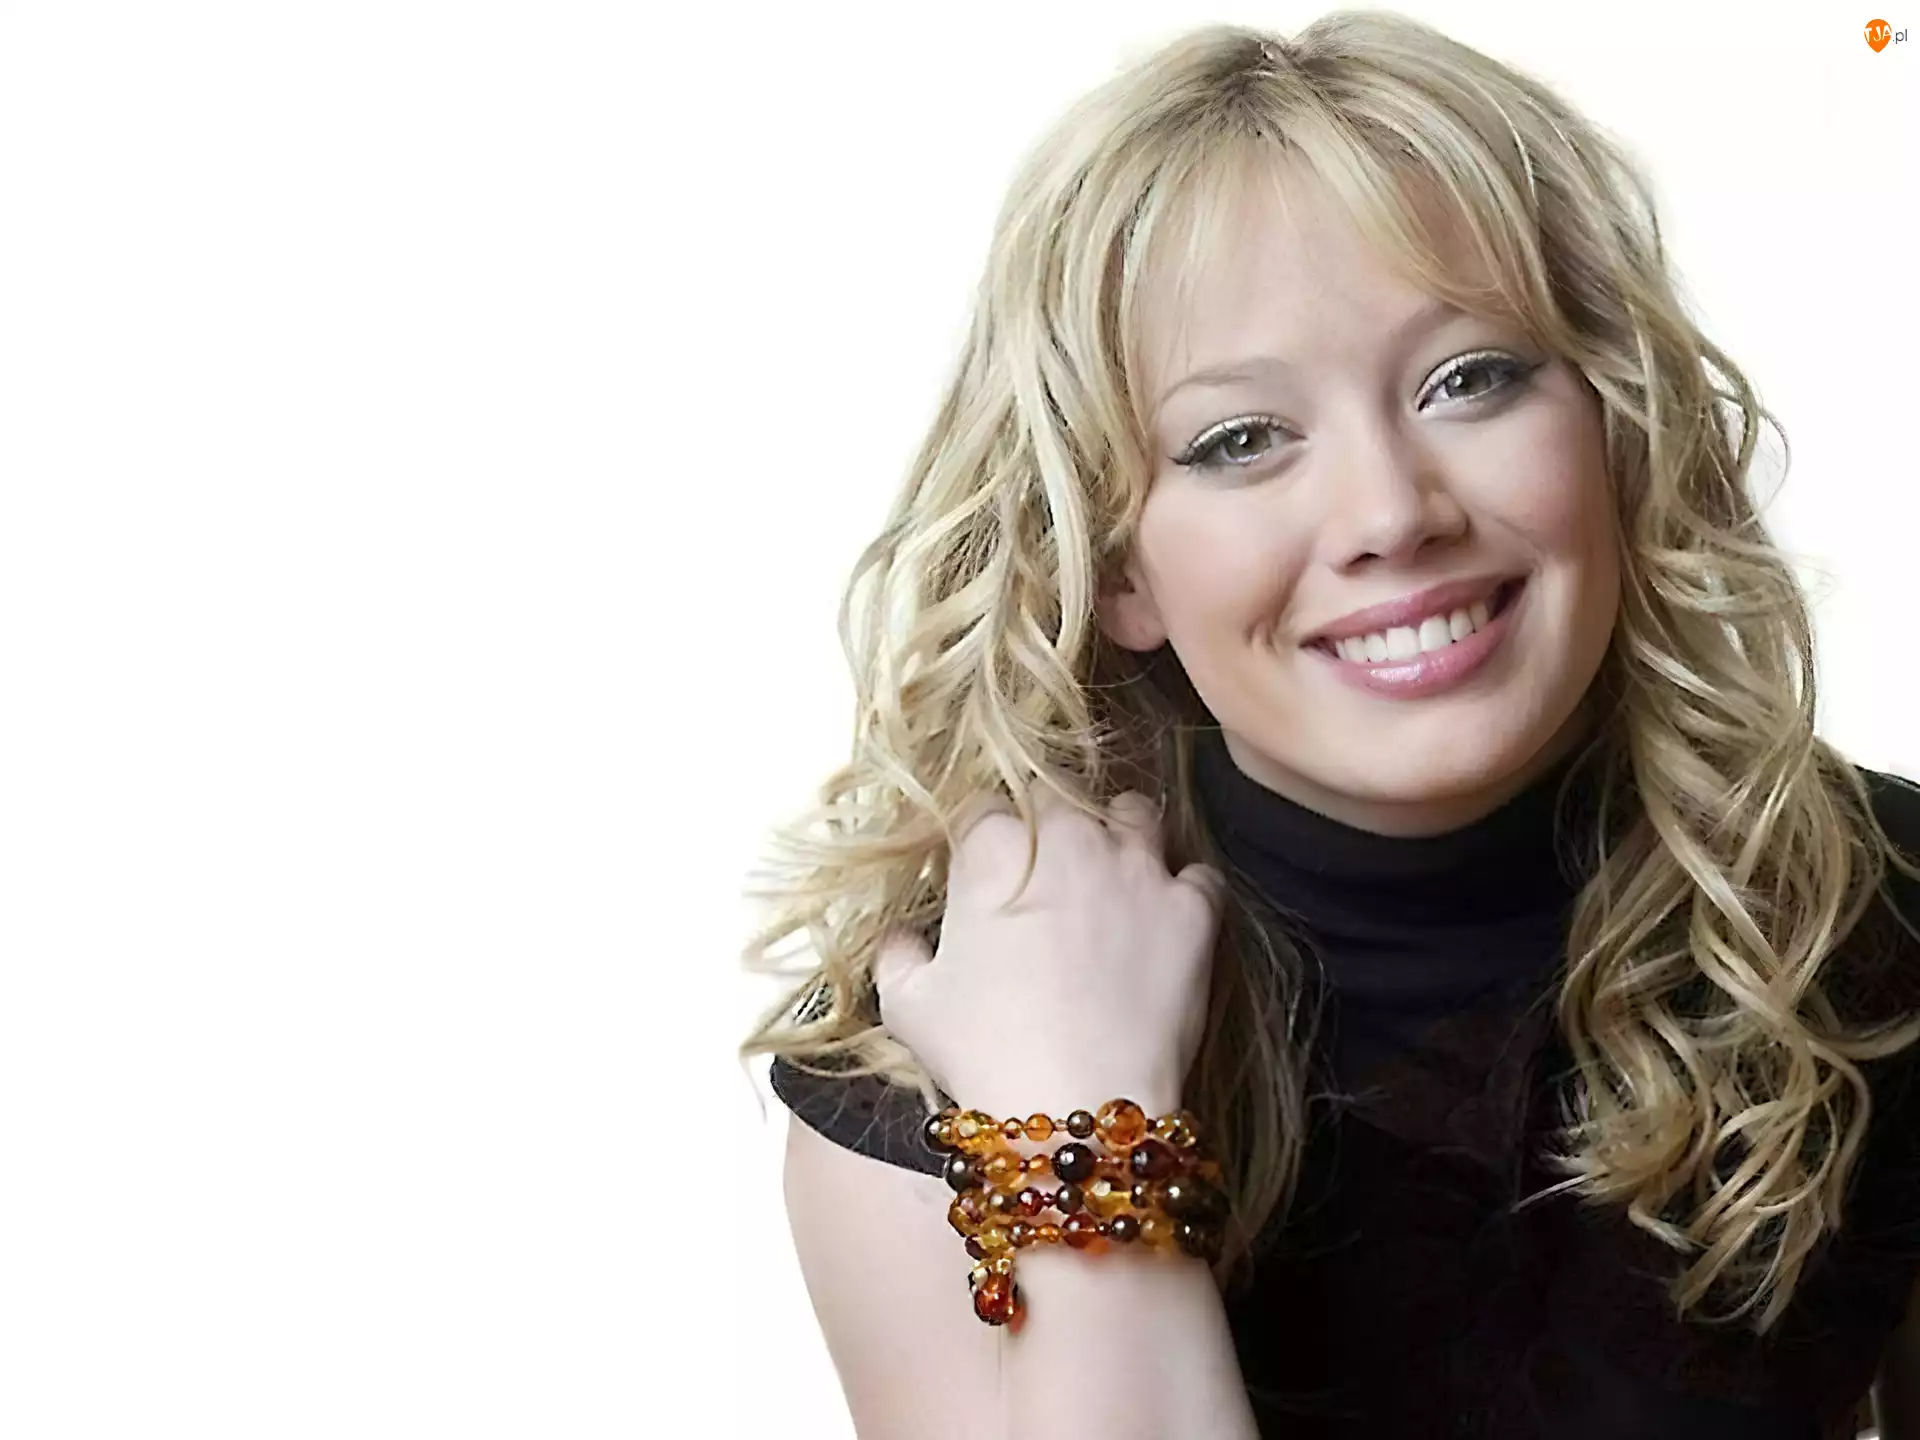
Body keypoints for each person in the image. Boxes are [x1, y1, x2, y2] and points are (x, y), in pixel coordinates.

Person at [735, 12, 1920, 1438]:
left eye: (1469, 378)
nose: (1391, 513)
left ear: (1617, 422)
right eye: (1241, 440)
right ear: (1117, 570)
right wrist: (1080, 1127)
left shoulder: (1881, 913)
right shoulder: (931, 1043)